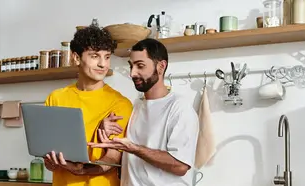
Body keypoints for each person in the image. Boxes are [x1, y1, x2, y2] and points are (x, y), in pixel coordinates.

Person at [89, 38, 200, 186]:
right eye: (131, 66)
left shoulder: (179, 108)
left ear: (161, 66)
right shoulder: (135, 106)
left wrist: (135, 149)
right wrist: (107, 133)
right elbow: (124, 158)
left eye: (140, 66)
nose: (132, 73)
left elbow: (180, 166)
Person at [43, 25, 133, 186]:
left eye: (107, 57)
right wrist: (51, 162)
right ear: (76, 58)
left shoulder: (120, 103)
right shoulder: (55, 98)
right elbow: (49, 155)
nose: (103, 64)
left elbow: (112, 158)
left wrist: (81, 170)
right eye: (95, 56)